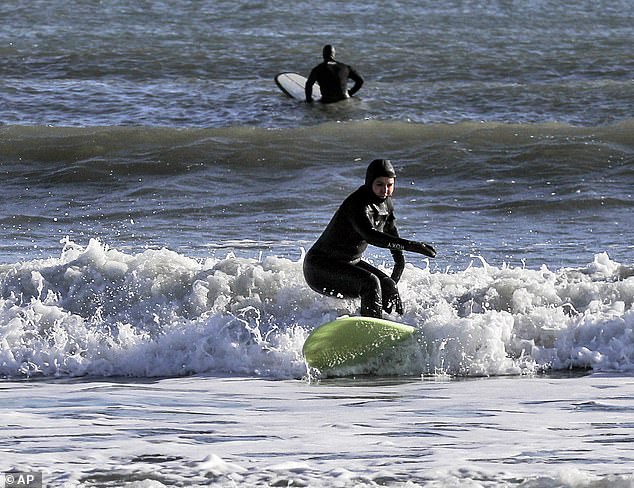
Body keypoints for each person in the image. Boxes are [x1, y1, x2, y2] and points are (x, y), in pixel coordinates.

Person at [303, 159, 436, 318]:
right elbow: (371, 235)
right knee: (370, 283)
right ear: (369, 183)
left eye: (389, 185)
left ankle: (395, 323)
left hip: (348, 263)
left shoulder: (386, 204)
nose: (385, 190)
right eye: (379, 184)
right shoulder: (358, 204)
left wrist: (398, 262)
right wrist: (412, 246)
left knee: (387, 285)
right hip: (320, 267)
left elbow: (390, 229)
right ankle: (370, 328)